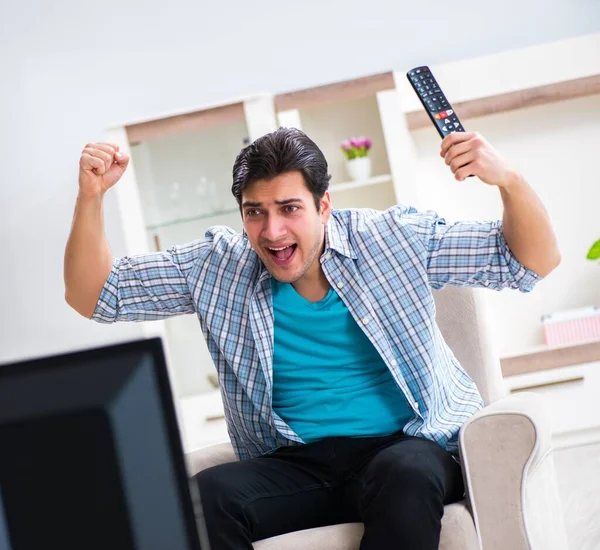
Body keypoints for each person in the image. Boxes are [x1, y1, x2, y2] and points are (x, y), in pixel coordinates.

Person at [64, 127, 560, 549]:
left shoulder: (391, 238)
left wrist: (509, 180)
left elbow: (529, 261)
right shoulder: (218, 266)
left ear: (324, 206)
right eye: (254, 211)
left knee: (405, 477)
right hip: (298, 462)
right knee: (203, 500)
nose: (272, 230)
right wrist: (91, 198)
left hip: (405, 445)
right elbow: (95, 294)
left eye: (288, 208)